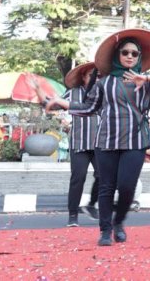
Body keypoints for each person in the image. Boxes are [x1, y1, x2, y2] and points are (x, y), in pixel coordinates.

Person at [45, 29, 150, 246]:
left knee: (127, 187)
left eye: (135, 53)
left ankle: (119, 222)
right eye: (125, 52)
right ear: (118, 55)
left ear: (139, 57)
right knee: (106, 187)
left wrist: (145, 77)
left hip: (135, 141)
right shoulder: (103, 84)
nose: (130, 56)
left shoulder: (148, 83)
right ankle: (105, 230)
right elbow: (89, 108)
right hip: (106, 141)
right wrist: (61, 102)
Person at [29, 63, 101, 227]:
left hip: (100, 143)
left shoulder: (103, 93)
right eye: (91, 75)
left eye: (97, 75)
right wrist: (38, 88)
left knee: (103, 176)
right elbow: (51, 104)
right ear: (83, 77)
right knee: (78, 178)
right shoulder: (73, 93)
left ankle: (91, 205)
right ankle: (73, 215)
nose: (95, 78)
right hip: (79, 143)